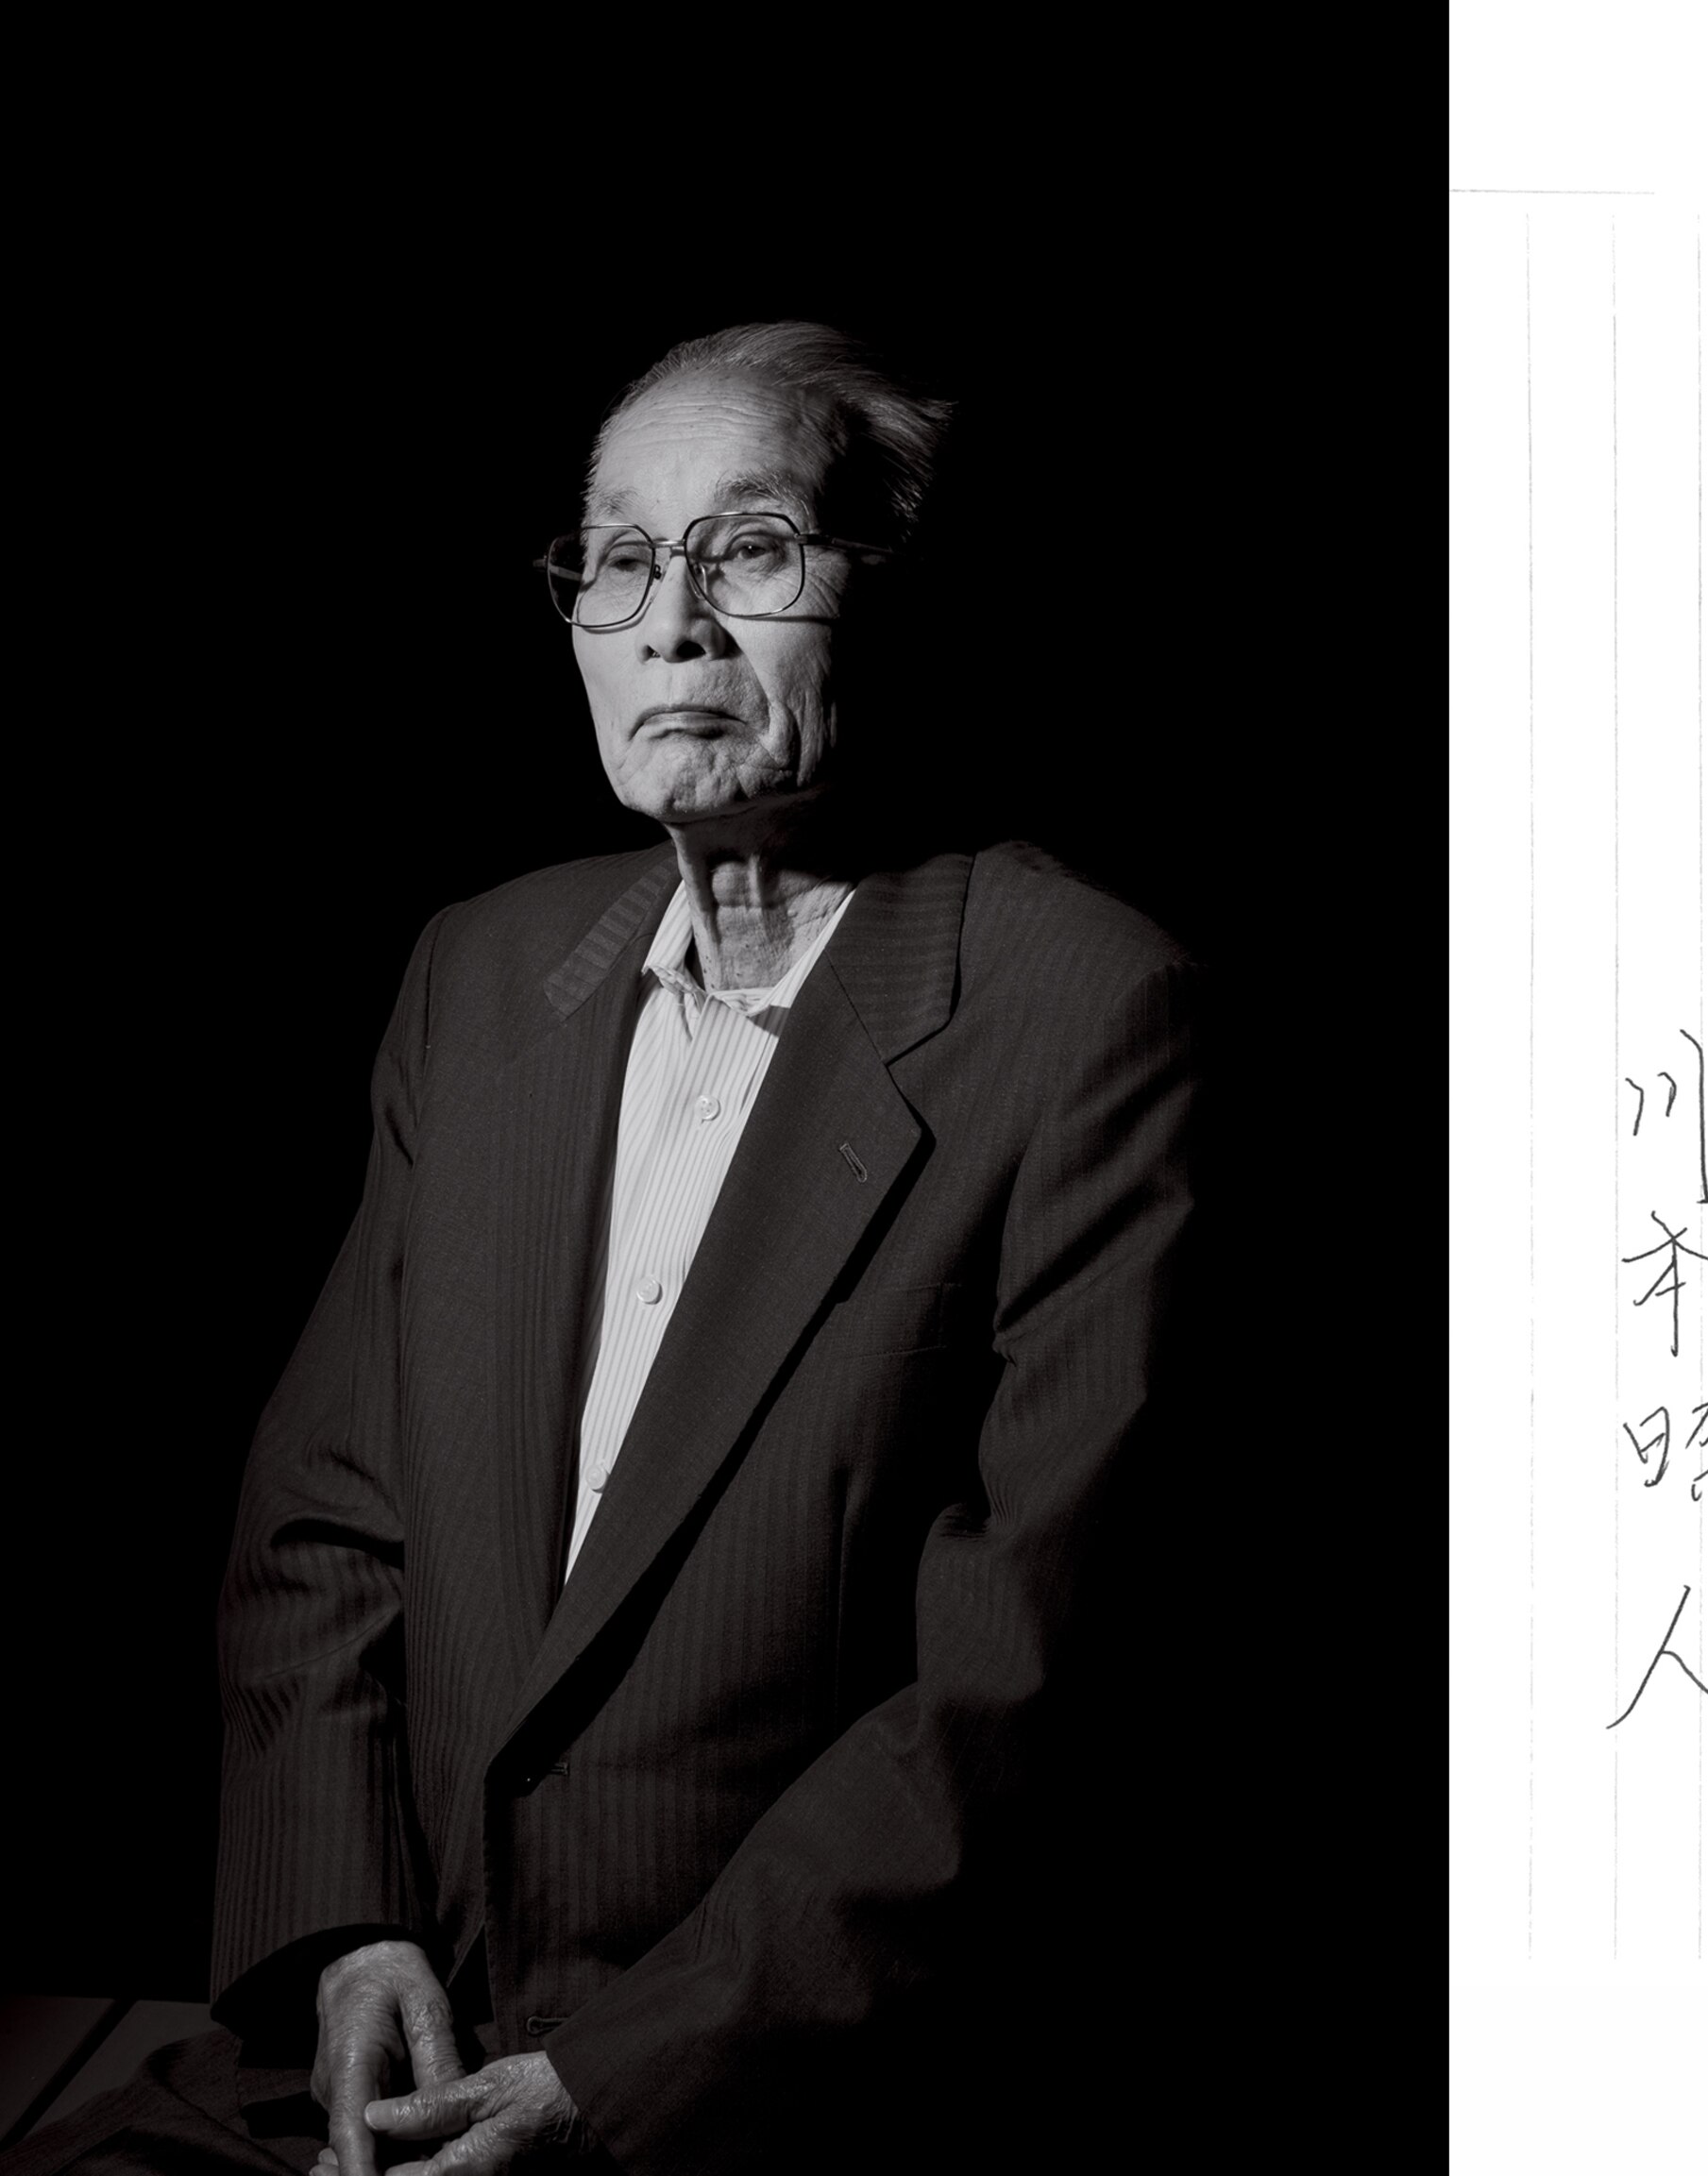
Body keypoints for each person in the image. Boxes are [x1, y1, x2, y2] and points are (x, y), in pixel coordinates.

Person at [5, 323, 1199, 2175]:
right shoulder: (481, 980)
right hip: (410, 2039)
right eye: (621, 557)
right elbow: (325, 1523)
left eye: (751, 549)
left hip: (772, 2098)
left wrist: (610, 2081)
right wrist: (347, 1941)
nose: (674, 623)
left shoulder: (1081, 1013)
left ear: (894, 586)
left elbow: (1029, 1686)